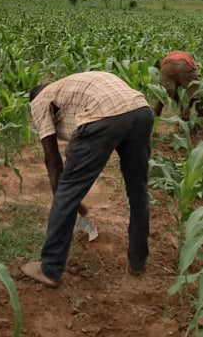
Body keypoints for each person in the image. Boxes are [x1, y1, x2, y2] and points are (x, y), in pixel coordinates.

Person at [22, 71, 154, 288]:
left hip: (106, 116)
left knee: (67, 189)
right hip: (141, 111)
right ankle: (137, 261)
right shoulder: (73, 86)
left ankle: (50, 268)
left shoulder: (40, 100)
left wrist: (69, 200)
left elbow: (53, 161)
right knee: (137, 190)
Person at [153, 51, 203, 128]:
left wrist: (181, 107)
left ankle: (151, 129)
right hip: (183, 65)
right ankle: (199, 129)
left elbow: (173, 93)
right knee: (198, 96)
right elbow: (194, 94)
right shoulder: (189, 59)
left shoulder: (170, 56)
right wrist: (188, 108)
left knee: (162, 96)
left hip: (167, 66)